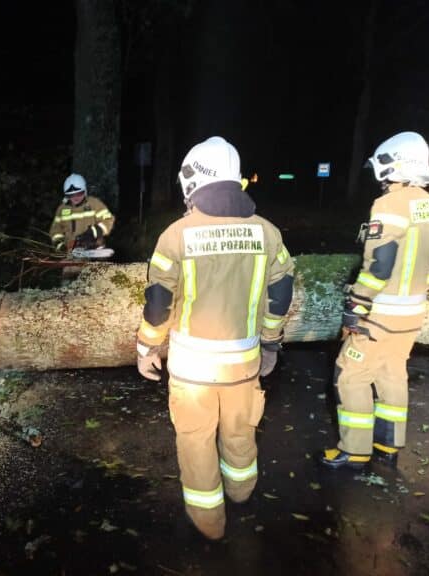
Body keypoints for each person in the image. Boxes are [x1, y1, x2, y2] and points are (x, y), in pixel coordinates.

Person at [135, 136, 294, 540]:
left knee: (196, 440)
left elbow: (158, 304)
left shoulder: (175, 235)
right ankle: (241, 493)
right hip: (244, 365)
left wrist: (146, 346)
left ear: (192, 181)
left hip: (193, 371)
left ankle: (209, 523)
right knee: (240, 431)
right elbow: (281, 293)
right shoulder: (268, 232)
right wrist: (271, 342)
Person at [319, 131, 429, 470]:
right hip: (411, 314)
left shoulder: (389, 204)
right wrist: (413, 292)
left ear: (392, 165)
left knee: (351, 375)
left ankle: (355, 450)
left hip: (380, 315)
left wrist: (357, 304)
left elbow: (379, 265)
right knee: (392, 374)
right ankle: (388, 447)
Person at [49, 173, 115, 253]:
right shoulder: (62, 209)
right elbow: (55, 230)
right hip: (71, 251)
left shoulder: (94, 204)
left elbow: (108, 219)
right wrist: (60, 245)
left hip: (94, 248)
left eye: (79, 193)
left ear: (85, 191)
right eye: (71, 195)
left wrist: (93, 232)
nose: (75, 197)